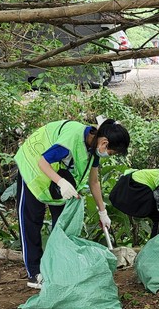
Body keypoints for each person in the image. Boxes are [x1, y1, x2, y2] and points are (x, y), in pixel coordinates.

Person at [14, 118, 130, 289]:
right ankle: (34, 273)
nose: (109, 155)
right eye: (112, 152)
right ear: (104, 143)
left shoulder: (94, 148)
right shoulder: (71, 139)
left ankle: (56, 268)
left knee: (62, 223)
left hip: (56, 177)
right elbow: (42, 162)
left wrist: (102, 212)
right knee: (31, 220)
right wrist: (61, 182)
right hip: (32, 169)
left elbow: (94, 182)